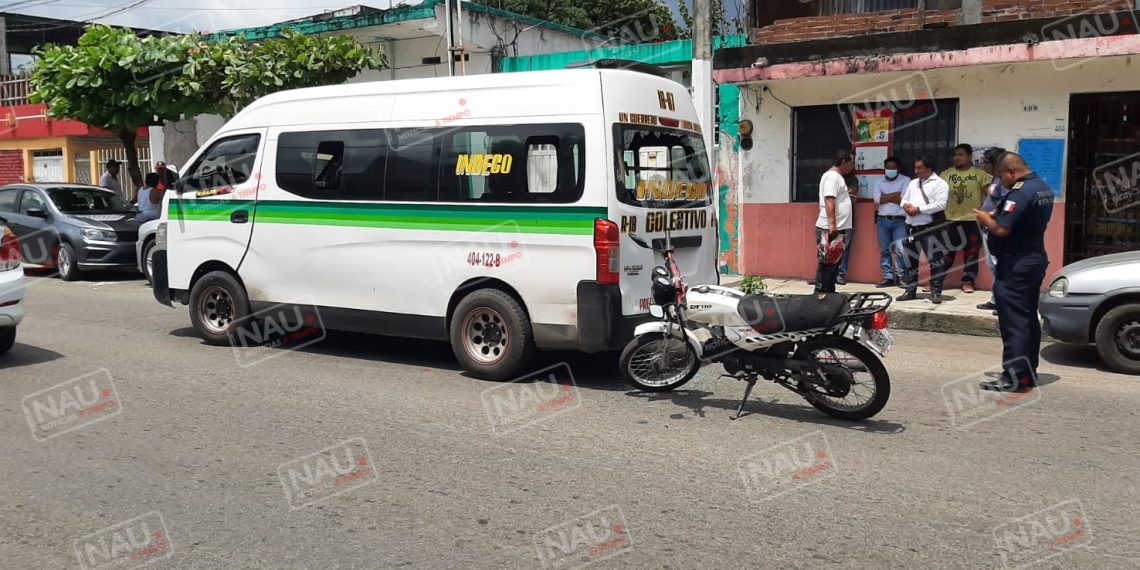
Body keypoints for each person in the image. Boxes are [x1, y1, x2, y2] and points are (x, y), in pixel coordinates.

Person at [973, 152, 1054, 392]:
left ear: (1011, 172)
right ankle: (1028, 372)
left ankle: (1014, 377)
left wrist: (985, 218)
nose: (1001, 182)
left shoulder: (1020, 192)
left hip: (1016, 266)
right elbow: (1021, 219)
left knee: (1014, 323)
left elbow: (1002, 230)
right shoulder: (1042, 188)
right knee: (1028, 319)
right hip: (1034, 260)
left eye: (1002, 177)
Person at [897, 154, 950, 304]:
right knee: (910, 261)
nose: (916, 170)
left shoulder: (940, 183)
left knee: (935, 261)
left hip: (930, 228)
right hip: (911, 227)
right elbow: (904, 198)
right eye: (915, 167)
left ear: (928, 168)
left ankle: (936, 292)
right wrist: (906, 206)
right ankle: (910, 290)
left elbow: (941, 204)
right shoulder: (913, 183)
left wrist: (918, 209)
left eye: (919, 167)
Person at [940, 144, 988, 294]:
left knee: (972, 252)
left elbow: (990, 195)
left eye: (960, 154)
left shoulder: (979, 174)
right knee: (947, 251)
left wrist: (986, 214)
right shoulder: (946, 174)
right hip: (950, 218)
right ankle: (937, 280)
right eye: (955, 154)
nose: (957, 157)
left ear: (969, 157)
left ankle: (968, 281)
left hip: (973, 220)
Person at [813, 149, 855, 293]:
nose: (853, 165)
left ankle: (829, 291)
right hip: (830, 229)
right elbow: (829, 199)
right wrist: (832, 224)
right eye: (852, 162)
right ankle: (821, 292)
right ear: (844, 162)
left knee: (834, 262)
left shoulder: (837, 177)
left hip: (838, 228)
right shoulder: (832, 177)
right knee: (827, 261)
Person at [976, 147, 1008, 312]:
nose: (983, 165)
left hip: (995, 227)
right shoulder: (995, 179)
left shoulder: (1004, 180)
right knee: (992, 264)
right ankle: (995, 299)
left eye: (986, 162)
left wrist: (990, 215)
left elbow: (1005, 204)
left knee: (997, 265)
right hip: (987, 227)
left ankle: (1001, 301)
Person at [872, 156, 911, 288]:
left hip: (900, 221)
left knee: (901, 250)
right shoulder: (878, 181)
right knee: (885, 251)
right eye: (887, 167)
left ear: (898, 168)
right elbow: (877, 200)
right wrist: (895, 195)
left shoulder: (906, 180)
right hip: (882, 220)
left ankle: (901, 277)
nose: (890, 170)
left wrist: (886, 197)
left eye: (893, 167)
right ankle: (888, 277)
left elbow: (903, 200)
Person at [836, 173, 861, 285]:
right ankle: (826, 274)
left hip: (848, 220)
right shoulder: (832, 179)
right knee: (829, 248)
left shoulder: (852, 179)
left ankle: (840, 274)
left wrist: (841, 196)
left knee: (844, 248)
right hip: (832, 219)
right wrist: (845, 195)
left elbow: (853, 195)